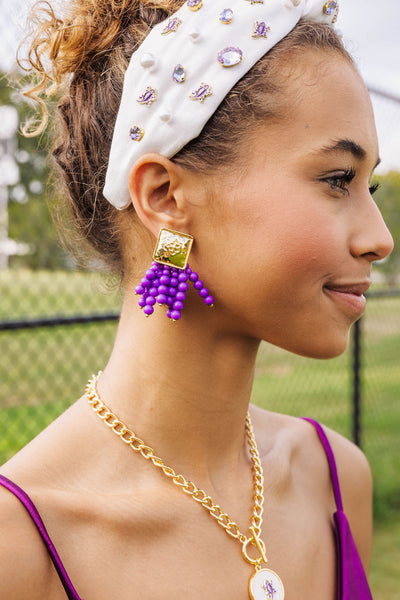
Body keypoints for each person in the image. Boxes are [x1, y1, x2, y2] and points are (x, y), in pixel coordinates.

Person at [0, 0, 393, 598]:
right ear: (164, 198)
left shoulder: (336, 480)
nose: (379, 238)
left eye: (369, 186)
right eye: (337, 178)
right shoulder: (23, 546)